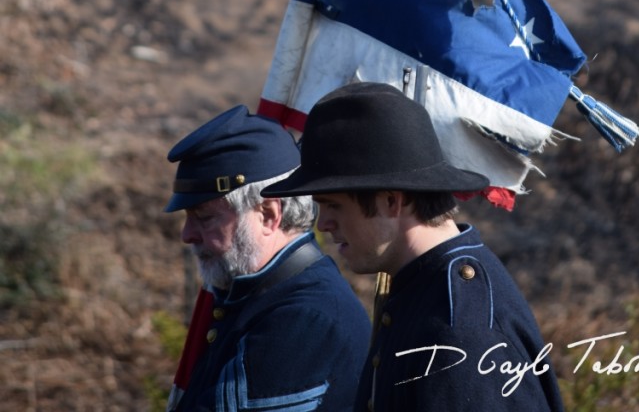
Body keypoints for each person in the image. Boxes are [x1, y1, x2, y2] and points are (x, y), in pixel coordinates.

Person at [262, 81, 565, 412]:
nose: (323, 224)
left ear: (391, 201)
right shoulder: (427, 292)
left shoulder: (457, 325)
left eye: (334, 205)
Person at [163, 104, 371, 412]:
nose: (187, 234)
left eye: (204, 218)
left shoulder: (307, 317)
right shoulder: (252, 294)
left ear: (267, 215)